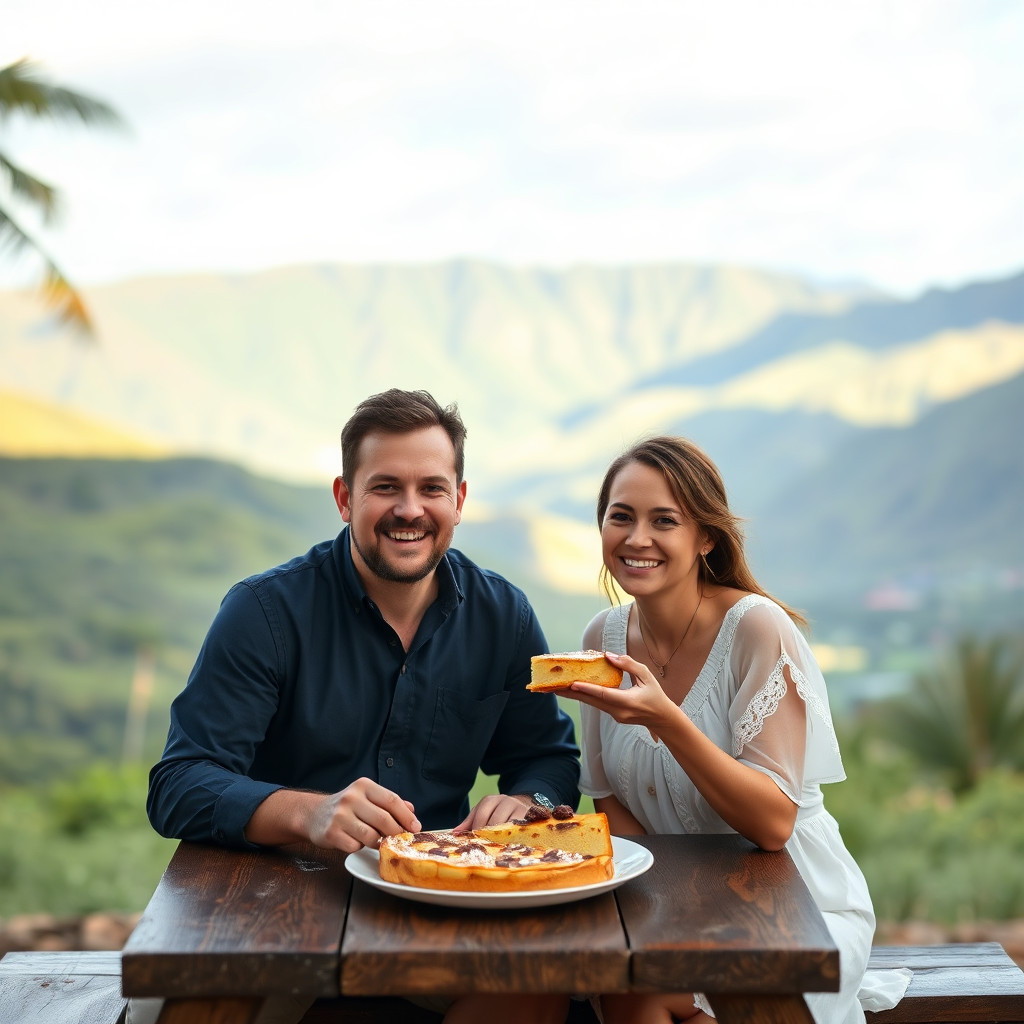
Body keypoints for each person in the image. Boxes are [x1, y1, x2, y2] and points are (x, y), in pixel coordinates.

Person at [147, 388, 580, 1024]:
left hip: (433, 903)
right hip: (278, 907)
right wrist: (308, 814)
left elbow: (547, 756)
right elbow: (177, 785)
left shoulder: (502, 616)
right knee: (201, 1003)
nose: (410, 510)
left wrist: (530, 803)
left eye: (432, 488)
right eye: (385, 487)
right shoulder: (264, 612)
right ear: (345, 498)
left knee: (540, 989)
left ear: (459, 501)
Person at [564, 436, 897, 1024]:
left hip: (797, 907)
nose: (637, 538)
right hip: (678, 906)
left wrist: (669, 721)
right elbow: (607, 799)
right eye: (621, 517)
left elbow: (773, 822)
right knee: (624, 984)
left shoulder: (755, 630)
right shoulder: (602, 639)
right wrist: (668, 912)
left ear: (706, 538)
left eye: (664, 520)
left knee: (663, 991)